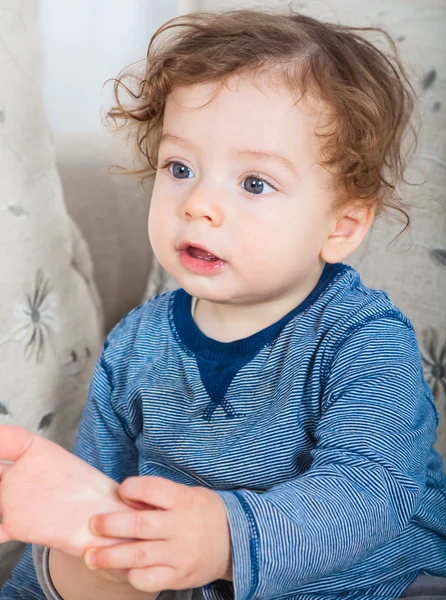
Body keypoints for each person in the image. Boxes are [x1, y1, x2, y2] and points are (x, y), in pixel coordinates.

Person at [1, 8, 445, 600]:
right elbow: (110, 480)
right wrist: (96, 530)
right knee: (85, 557)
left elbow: (369, 493)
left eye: (254, 183)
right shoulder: (137, 344)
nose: (198, 205)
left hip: (362, 576)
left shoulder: (364, 340)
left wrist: (228, 539)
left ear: (341, 227)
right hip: (185, 576)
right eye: (180, 168)